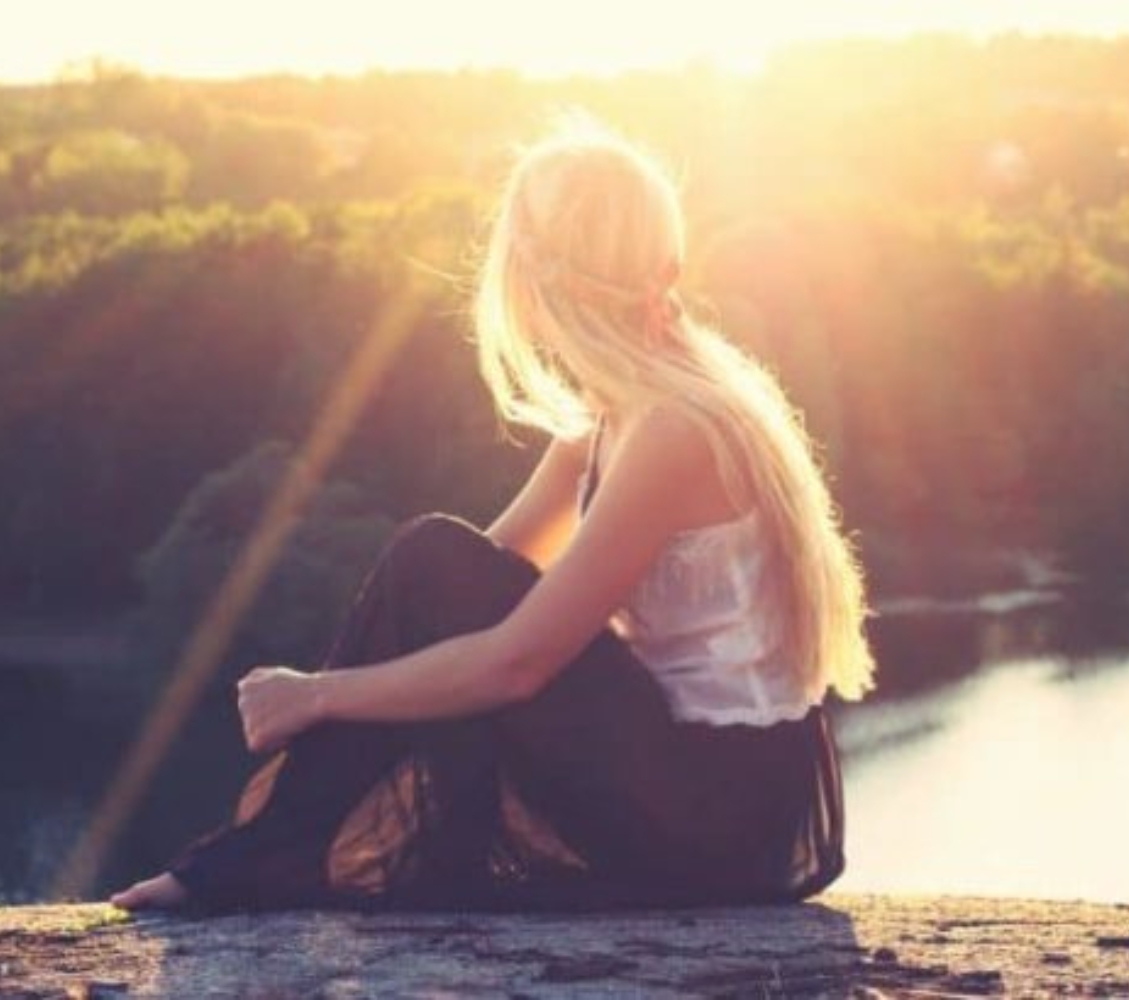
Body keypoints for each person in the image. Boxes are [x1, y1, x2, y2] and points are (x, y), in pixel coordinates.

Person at [109, 114, 876, 914]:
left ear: (531, 284)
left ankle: (254, 862)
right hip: (705, 791)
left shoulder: (673, 432)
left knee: (431, 560)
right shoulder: (611, 422)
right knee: (430, 556)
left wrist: (319, 696)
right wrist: (338, 686)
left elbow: (518, 661)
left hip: (721, 815)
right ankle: (263, 858)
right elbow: (449, 595)